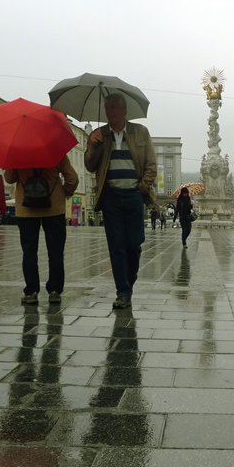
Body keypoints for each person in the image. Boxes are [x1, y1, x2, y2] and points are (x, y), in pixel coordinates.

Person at [85, 93, 157, 310]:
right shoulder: (100, 135)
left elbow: (151, 165)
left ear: (124, 110)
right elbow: (90, 166)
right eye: (107, 107)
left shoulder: (140, 132)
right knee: (117, 247)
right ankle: (123, 292)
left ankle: (128, 282)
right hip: (111, 199)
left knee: (134, 245)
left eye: (114, 107)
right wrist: (93, 145)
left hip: (134, 196)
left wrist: (142, 187)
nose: (110, 111)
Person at [3, 157, 78, 305]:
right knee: (56, 252)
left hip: (26, 210)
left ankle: (31, 292)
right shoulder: (56, 152)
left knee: (29, 252)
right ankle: (55, 291)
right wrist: (63, 193)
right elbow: (73, 179)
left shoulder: (19, 153)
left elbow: (9, 178)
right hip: (54, 209)